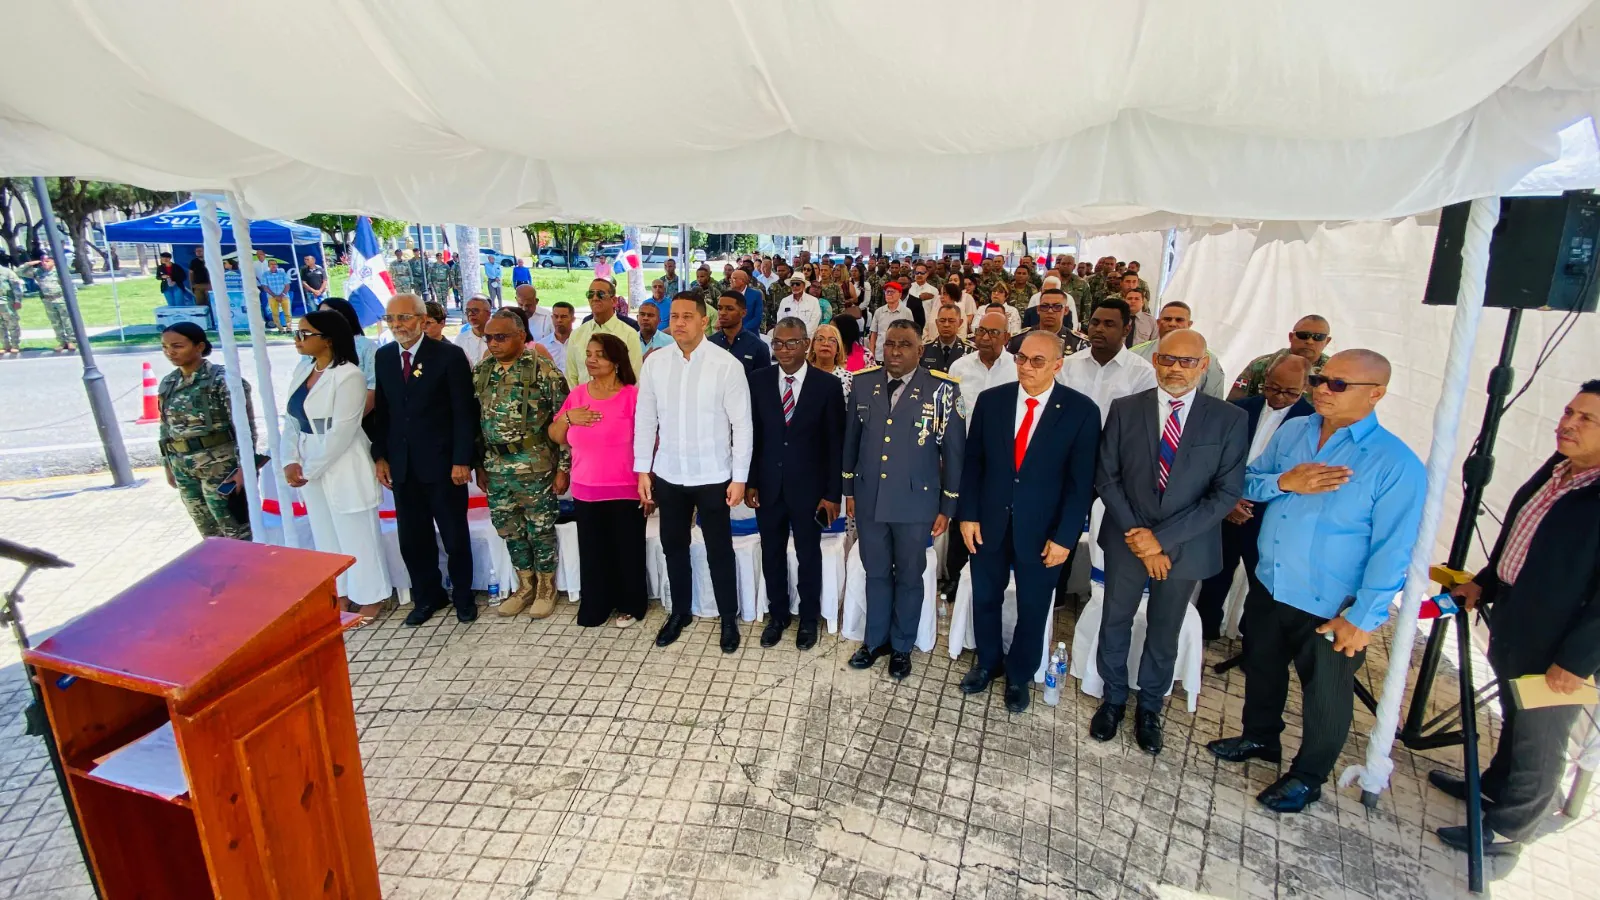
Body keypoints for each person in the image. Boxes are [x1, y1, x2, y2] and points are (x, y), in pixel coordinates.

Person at [1208, 350, 1425, 813]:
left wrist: (1363, 616)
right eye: (1320, 380)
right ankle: (1260, 737)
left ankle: (1308, 777)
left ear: (1376, 394)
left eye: (1338, 384)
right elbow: (1249, 481)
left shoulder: (1395, 463)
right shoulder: (1295, 431)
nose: (1323, 389)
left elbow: (1394, 549)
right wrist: (1286, 483)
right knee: (1261, 667)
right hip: (1271, 581)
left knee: (1325, 695)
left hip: (1332, 603)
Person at [1431, 381, 1600, 857]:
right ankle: (1494, 789)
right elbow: (1521, 541)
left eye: (1586, 419)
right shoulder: (1558, 469)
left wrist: (1576, 661)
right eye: (1569, 411)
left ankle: (1511, 828)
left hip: (1562, 645)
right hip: (1517, 623)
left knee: (1541, 739)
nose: (1568, 423)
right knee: (1514, 716)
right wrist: (1484, 583)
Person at [1091, 329, 1248, 752]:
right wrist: (1140, 538)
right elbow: (1107, 477)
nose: (1175, 369)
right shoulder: (1126, 409)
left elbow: (1225, 493)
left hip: (1186, 544)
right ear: (1155, 360)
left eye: (1186, 361)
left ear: (1203, 366)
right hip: (1127, 538)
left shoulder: (1229, 419)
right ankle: (1113, 697)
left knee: (1165, 628)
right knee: (1115, 619)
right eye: (1167, 359)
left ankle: (1150, 706)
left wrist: (1159, 541)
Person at [957, 331, 1099, 712]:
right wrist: (968, 514)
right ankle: (988, 662)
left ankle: (1020, 674)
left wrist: (1066, 537)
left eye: (1038, 361)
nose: (1026, 367)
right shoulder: (992, 401)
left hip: (1043, 531)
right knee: (985, 596)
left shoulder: (1081, 412)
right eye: (1021, 358)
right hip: (989, 523)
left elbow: (1080, 484)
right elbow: (973, 464)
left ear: (1058, 365)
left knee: (1034, 607)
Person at [842, 320, 965, 680]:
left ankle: (901, 646)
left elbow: (954, 453)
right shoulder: (863, 383)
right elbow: (852, 440)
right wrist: (849, 489)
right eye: (890, 344)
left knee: (910, 576)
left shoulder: (942, 390)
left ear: (920, 350)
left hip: (916, 503)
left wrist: (948, 506)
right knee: (876, 571)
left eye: (905, 345)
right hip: (870, 498)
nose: (895, 351)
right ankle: (875, 640)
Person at [635, 293, 753, 653]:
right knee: (674, 546)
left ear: (704, 321)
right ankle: (680, 612)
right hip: (669, 473)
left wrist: (739, 477)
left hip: (713, 474)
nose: (679, 323)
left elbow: (742, 425)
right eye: (674, 316)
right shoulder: (656, 364)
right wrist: (642, 469)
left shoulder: (726, 365)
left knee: (719, 549)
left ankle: (728, 616)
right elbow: (646, 419)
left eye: (688, 316)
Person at [368, 293, 479, 626]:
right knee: (413, 538)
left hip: (443, 465)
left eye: (404, 317)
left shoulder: (448, 355)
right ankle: (428, 596)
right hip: (403, 466)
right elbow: (383, 412)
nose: (397, 325)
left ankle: (463, 596)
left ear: (421, 319)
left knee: (454, 535)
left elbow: (464, 412)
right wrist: (380, 455)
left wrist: (462, 459)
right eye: (391, 319)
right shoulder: (384, 356)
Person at [281, 311, 392, 621]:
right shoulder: (303, 370)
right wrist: (290, 460)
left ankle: (371, 596)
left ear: (327, 339)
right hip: (309, 458)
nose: (298, 340)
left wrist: (309, 469)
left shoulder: (348, 375)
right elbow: (292, 421)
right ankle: (340, 592)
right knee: (326, 533)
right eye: (297, 333)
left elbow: (342, 430)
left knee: (357, 533)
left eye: (305, 334)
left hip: (342, 460)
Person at [1193, 355, 1313, 639]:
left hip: (1271, 515)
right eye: (1273, 388)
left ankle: (1253, 642)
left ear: (1305, 387)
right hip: (1226, 505)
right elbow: (1214, 459)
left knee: (1261, 586)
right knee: (1215, 573)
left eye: (1290, 392)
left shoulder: (1311, 423)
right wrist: (1227, 500)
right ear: (1265, 379)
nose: (1279, 397)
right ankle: (1204, 632)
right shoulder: (1238, 409)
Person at [748, 318, 846, 650]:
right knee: (772, 552)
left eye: (792, 343)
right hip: (768, 486)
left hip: (810, 490)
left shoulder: (827, 386)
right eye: (778, 343)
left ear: (806, 344)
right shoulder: (759, 380)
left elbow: (835, 445)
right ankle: (778, 615)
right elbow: (754, 436)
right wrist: (751, 481)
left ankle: (808, 618)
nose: (784, 350)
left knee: (808, 554)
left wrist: (832, 494)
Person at [472, 309, 571, 618]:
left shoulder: (543, 370)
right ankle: (525, 585)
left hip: (534, 464)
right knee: (509, 529)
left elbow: (563, 421)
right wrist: (479, 465)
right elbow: (475, 421)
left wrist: (563, 468)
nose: (493, 343)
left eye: (501, 337)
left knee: (540, 528)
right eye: (489, 337)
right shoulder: (482, 371)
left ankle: (546, 588)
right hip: (496, 465)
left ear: (520, 336)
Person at [550, 333, 648, 628]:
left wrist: (648, 485)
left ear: (616, 361)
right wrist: (568, 418)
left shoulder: (632, 396)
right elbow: (556, 436)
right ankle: (597, 604)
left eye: (599, 355)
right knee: (593, 551)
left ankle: (630, 604)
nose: (591, 360)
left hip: (625, 488)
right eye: (589, 354)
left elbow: (648, 443)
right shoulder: (578, 395)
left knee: (626, 549)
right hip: (586, 489)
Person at [156, 322, 253, 540]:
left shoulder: (223, 380)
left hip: (220, 467)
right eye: (165, 347)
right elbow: (165, 426)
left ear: (199, 346)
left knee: (237, 532)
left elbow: (245, 428)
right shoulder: (169, 382)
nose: (170, 352)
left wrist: (245, 468)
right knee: (209, 535)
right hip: (183, 466)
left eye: (177, 346)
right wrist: (168, 465)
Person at [1057, 299, 1158, 422]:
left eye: (1109, 324)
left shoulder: (1143, 373)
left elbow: (1141, 420)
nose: (1099, 329)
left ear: (1126, 330)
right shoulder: (1067, 365)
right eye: (1095, 323)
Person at [1131, 301, 1225, 399]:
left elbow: (1213, 402)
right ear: (1158, 323)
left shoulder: (1207, 360)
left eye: (1179, 320)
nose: (1172, 324)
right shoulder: (1137, 354)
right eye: (1167, 319)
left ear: (1189, 324)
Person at [1229, 316, 1334, 400]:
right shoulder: (1262, 365)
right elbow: (1234, 404)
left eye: (1318, 337)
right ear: (1291, 337)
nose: (1309, 341)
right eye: (1303, 335)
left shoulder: (1333, 373)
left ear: (1327, 341)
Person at [566, 279, 641, 387]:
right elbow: (571, 376)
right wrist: (579, 396)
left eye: (600, 294)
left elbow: (635, 375)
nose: (595, 298)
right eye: (590, 294)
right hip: (582, 397)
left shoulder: (629, 334)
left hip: (619, 397)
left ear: (614, 301)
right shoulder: (577, 334)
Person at [317, 297, 378, 413]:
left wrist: (350, 420)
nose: (323, 321)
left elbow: (373, 388)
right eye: (320, 316)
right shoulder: (314, 347)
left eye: (329, 315)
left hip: (358, 416)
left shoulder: (366, 346)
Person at [17, 256, 72, 352]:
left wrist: (70, 300)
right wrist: (29, 264)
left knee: (67, 321)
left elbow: (71, 287)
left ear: (53, 262)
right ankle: (62, 342)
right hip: (48, 300)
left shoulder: (60, 272)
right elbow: (19, 272)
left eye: (47, 261)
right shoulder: (39, 272)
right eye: (43, 261)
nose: (44, 263)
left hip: (61, 299)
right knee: (55, 322)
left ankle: (71, 341)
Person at [709, 291, 771, 375]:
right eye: (720, 308)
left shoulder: (758, 347)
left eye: (729, 309)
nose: (722, 313)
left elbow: (763, 380)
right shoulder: (709, 343)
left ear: (743, 313)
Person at [1006, 288, 1079, 355]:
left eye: (1057, 307)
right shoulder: (1019, 339)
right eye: (1044, 306)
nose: (1050, 311)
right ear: (1038, 309)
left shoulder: (1077, 343)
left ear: (1066, 310)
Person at [867, 281, 915, 359]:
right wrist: (872, 354)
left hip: (899, 354)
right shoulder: (879, 311)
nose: (889, 294)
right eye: (887, 292)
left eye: (892, 292)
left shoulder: (906, 312)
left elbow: (911, 334)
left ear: (900, 295)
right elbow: (873, 334)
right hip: (880, 354)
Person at [920, 305, 969, 374]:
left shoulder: (969, 351)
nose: (946, 325)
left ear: (960, 323)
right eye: (942, 321)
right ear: (936, 323)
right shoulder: (924, 350)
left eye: (951, 321)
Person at [454, 295, 492, 365]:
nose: (470, 314)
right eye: (468, 311)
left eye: (475, 310)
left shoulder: (498, 338)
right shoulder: (461, 339)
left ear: (488, 314)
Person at [540, 301, 575, 373]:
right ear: (552, 318)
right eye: (556, 316)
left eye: (563, 317)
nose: (559, 320)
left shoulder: (581, 342)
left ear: (573, 319)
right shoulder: (542, 345)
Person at [261, 258, 293, 333]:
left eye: (275, 264)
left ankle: (289, 328)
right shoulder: (265, 274)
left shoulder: (283, 273)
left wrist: (281, 295)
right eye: (271, 264)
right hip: (272, 297)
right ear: (268, 266)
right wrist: (275, 296)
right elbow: (265, 287)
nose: (273, 265)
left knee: (287, 313)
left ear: (277, 265)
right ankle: (280, 329)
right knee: (275, 314)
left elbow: (287, 285)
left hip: (284, 296)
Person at [0, 258, 23, 355]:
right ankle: (5, 345)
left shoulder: (7, 272)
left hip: (6, 302)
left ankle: (15, 345)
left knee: (12, 324)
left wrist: (18, 300)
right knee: (1, 326)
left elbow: (16, 286)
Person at [731, 269, 764, 335]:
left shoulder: (756, 295)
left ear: (742, 281)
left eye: (734, 278)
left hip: (750, 334)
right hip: (731, 335)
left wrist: (741, 330)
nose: (731, 281)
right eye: (731, 278)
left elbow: (757, 318)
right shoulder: (728, 295)